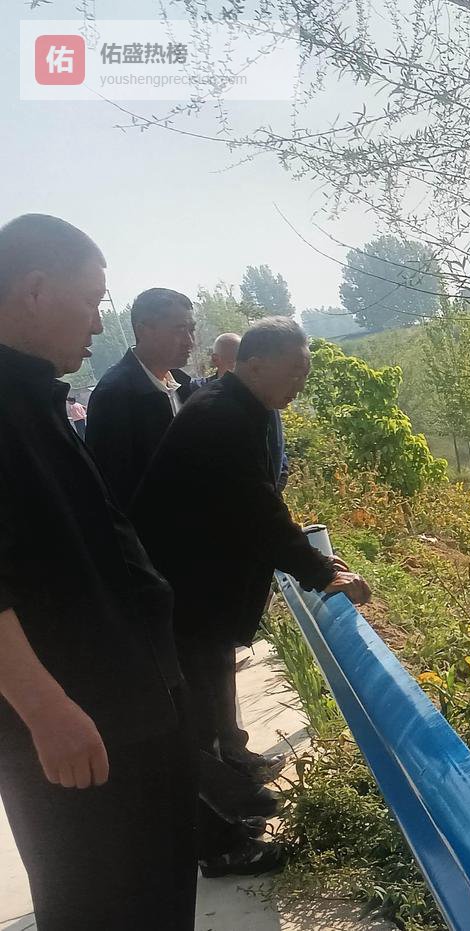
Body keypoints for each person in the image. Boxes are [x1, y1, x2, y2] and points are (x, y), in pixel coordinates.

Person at [0, 214, 196, 929]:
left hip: (130, 708)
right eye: (90, 299)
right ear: (34, 291)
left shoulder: (35, 397)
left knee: (155, 889)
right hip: (76, 727)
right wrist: (45, 710)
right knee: (99, 901)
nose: (98, 321)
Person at [131, 317, 371, 869]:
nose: (301, 383)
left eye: (306, 372)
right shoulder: (221, 417)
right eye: (294, 372)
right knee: (195, 721)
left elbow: (257, 501)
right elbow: (256, 512)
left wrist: (311, 558)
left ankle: (233, 814)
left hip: (195, 593)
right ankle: (217, 848)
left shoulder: (240, 407)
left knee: (210, 710)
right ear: (255, 366)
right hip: (182, 596)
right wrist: (322, 573)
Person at [86, 287, 197, 509]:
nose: (189, 341)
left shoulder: (183, 386)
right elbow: (114, 488)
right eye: (179, 330)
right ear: (143, 331)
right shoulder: (114, 396)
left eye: (191, 330)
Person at [200, 331, 289, 492]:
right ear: (216, 359)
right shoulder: (202, 394)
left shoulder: (260, 394)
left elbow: (276, 443)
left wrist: (278, 482)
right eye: (234, 361)